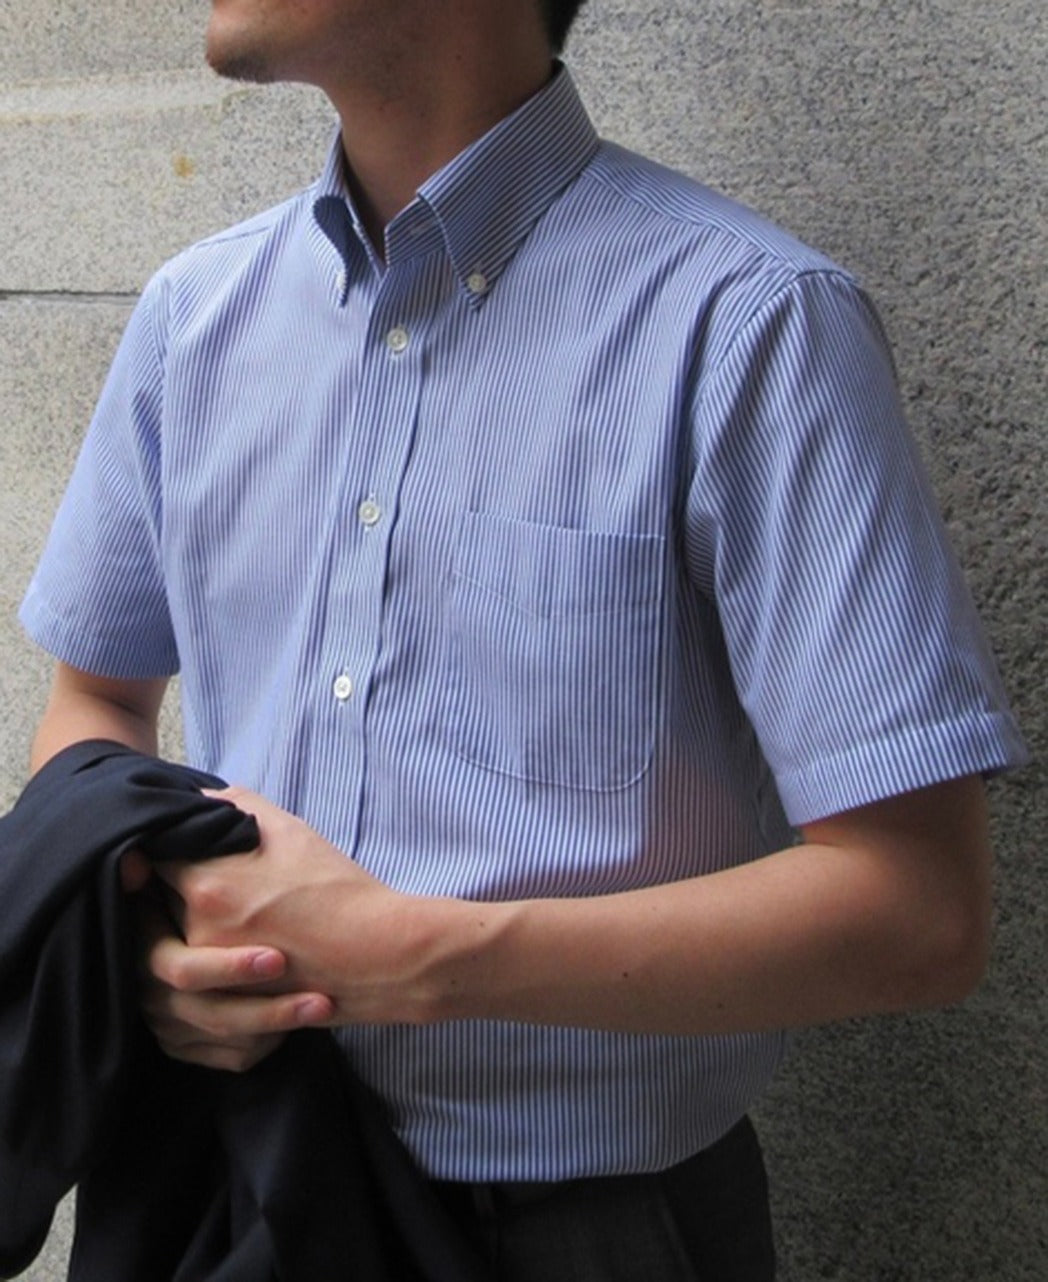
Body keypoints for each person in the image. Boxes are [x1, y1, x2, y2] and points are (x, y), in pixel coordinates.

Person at [20, 0, 1028, 1277]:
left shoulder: (748, 326)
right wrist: (150, 939)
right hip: (235, 1188)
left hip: (591, 1233)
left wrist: (415, 958)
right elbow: (97, 702)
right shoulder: (193, 317)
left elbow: (918, 913)